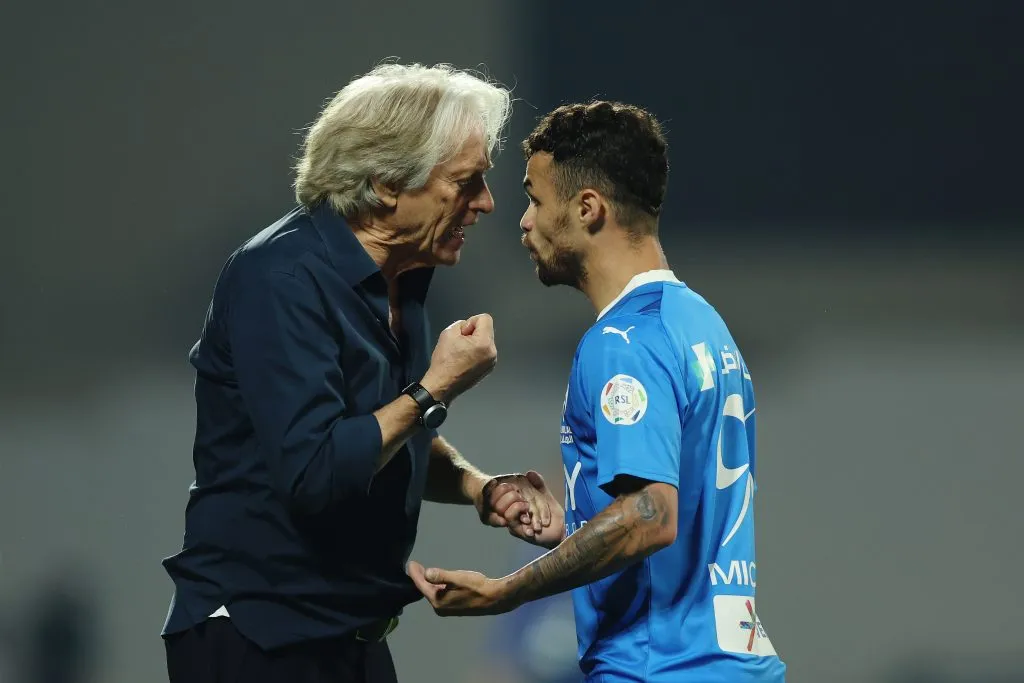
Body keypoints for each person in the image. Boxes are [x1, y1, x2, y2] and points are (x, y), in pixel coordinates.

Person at [160, 62, 558, 683]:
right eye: (466, 181)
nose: (487, 202)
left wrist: (480, 488)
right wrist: (435, 386)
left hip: (347, 636)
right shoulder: (281, 278)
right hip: (259, 640)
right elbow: (316, 470)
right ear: (385, 184)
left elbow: (378, 437)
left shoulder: (406, 278)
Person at [408, 101, 788, 682]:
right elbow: (673, 512)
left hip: (661, 669)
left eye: (535, 200)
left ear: (588, 209)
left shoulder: (622, 341)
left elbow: (649, 516)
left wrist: (507, 591)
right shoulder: (700, 322)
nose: (523, 221)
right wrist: (578, 523)